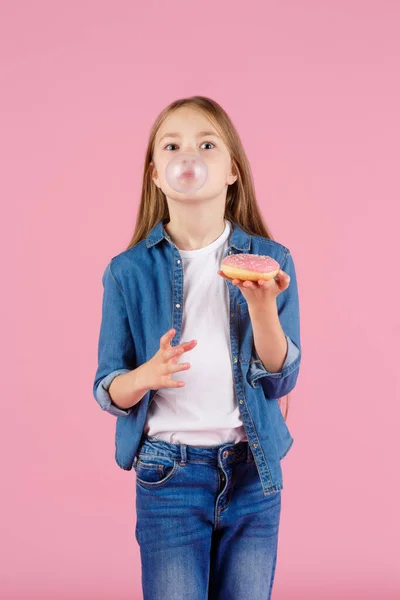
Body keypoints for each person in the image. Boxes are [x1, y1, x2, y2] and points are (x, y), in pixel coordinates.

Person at [93, 95, 302, 600]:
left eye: (206, 144)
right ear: (156, 174)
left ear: (232, 170)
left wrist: (261, 309)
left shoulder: (271, 259)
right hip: (168, 474)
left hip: (252, 470)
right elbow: (107, 389)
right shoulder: (127, 272)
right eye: (173, 146)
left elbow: (282, 377)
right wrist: (145, 375)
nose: (190, 155)